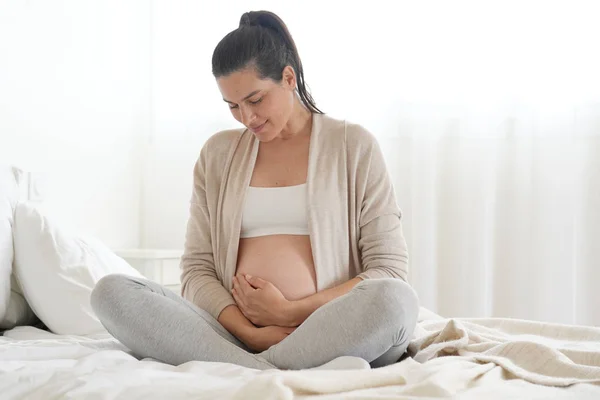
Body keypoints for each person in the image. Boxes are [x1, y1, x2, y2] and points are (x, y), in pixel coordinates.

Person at [91, 10, 419, 371]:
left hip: (331, 329)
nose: (247, 118)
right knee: (110, 292)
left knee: (395, 301)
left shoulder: (353, 146)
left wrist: (290, 311)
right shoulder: (218, 154)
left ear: (288, 78)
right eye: (233, 106)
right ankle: (264, 365)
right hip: (235, 335)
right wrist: (249, 331)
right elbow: (197, 270)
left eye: (255, 99)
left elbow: (387, 269)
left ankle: (244, 369)